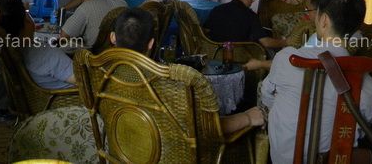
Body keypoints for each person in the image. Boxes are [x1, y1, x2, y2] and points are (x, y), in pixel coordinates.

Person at [260, 0, 372, 164]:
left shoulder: (289, 58)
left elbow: (267, 98)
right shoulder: (366, 81)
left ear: (324, 20)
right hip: (337, 158)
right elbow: (364, 123)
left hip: (286, 158)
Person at [110, 8, 265, 134]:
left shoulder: (101, 75)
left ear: (112, 37)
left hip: (119, 152)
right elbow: (206, 129)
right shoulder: (170, 86)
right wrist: (247, 117)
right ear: (151, 43)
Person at [244, 0, 331, 72]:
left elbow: (299, 63)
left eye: (308, 9)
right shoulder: (322, 36)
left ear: (320, 12)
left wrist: (260, 64)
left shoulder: (318, 39)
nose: (307, 14)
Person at [0, 0, 75, 89]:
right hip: (72, 95)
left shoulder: (12, 50)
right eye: (28, 14)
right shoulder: (47, 54)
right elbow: (82, 80)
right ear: (27, 21)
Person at [204, 0, 287, 49]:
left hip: (214, 52)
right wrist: (286, 42)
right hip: (238, 56)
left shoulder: (217, 9)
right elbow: (266, 43)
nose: (251, 2)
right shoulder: (250, 15)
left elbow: (205, 30)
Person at [60, 0, 127, 49]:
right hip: (121, 53)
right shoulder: (123, 3)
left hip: (96, 54)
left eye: (81, 2)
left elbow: (63, 36)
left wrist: (82, 46)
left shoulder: (87, 6)